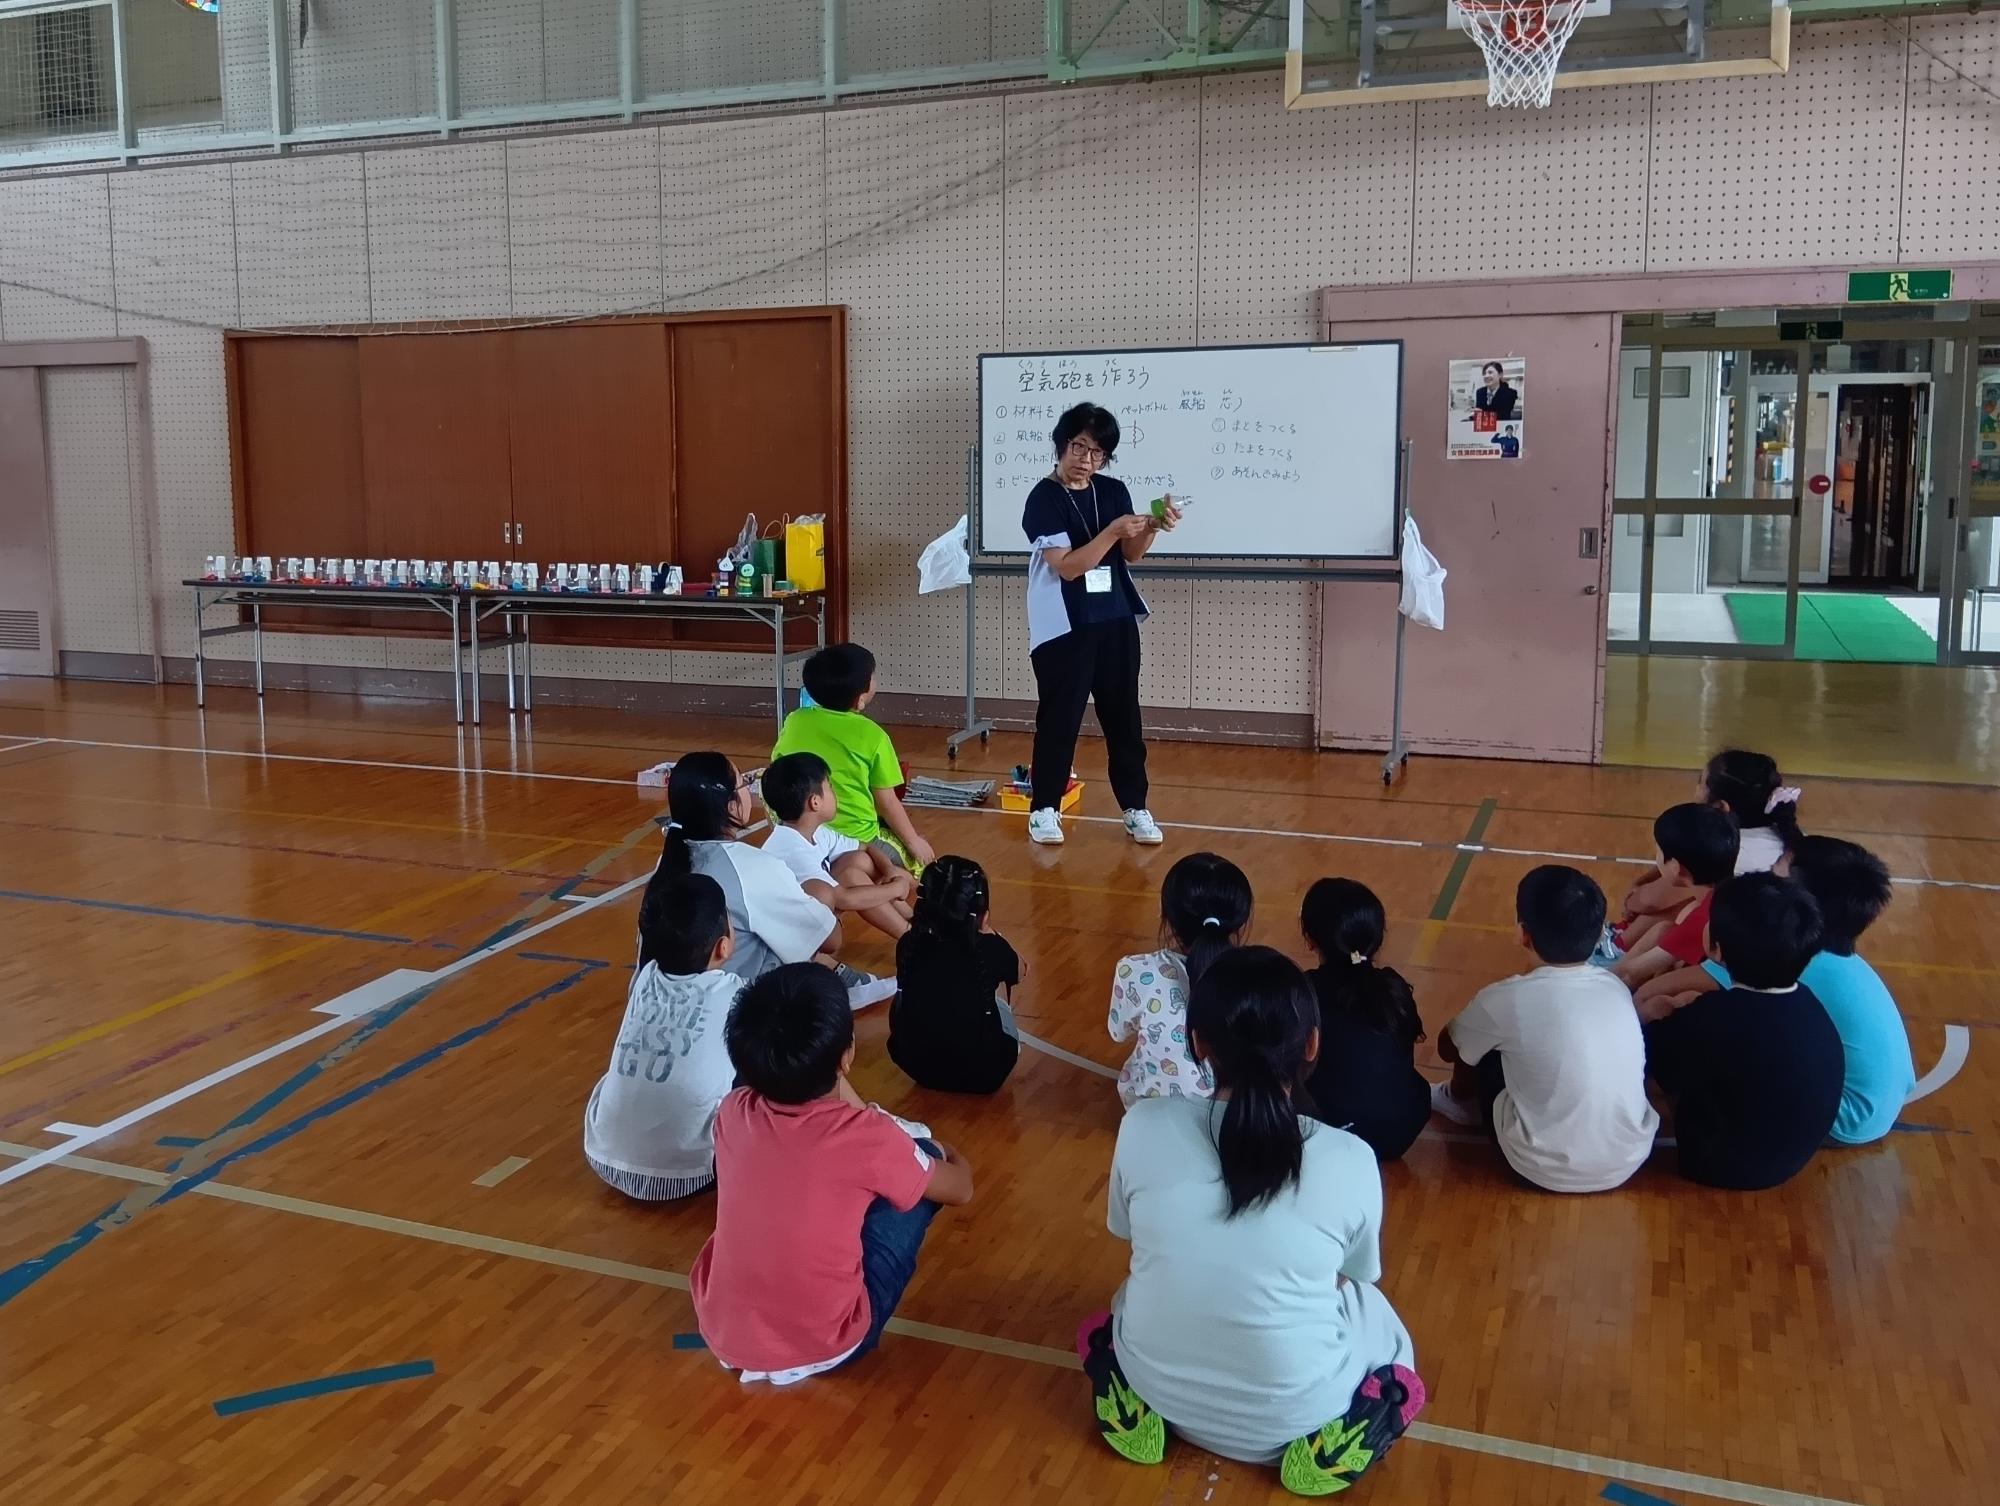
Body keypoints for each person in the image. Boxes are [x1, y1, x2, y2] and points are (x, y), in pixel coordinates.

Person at [1080, 946, 1425, 1493]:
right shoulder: (1350, 1157)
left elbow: (1128, 1234)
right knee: (1378, 1316)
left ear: (1198, 1043)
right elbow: (1350, 1277)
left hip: (1159, 1389)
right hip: (1300, 1414)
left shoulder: (1143, 1123)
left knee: (1131, 1294)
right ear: (1312, 1044)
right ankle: (1363, 1420)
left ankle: (1127, 1386)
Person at [689, 963, 976, 1382]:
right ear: (847, 1056)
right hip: (831, 1344)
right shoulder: (868, 1138)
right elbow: (960, 1189)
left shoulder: (733, 1112)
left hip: (724, 1332)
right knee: (919, 1166)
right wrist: (946, 1150)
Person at [1638, 837, 1914, 1147]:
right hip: (1877, 1105)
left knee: (1672, 1020)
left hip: (1841, 1118)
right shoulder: (1831, 957)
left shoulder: (1776, 953)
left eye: (1775, 873)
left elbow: (1652, 993)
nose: (1766, 877)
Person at [1432, 866, 1660, 1194]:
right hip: (1629, 1159)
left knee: (1486, 1047)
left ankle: (1457, 1102)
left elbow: (1448, 1048)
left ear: (1523, 934)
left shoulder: (1504, 998)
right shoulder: (1616, 988)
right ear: (1600, 934)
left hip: (1539, 1168)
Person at [1019, 401, 1179, 848]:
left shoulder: (1112, 491)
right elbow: (1069, 567)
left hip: (1115, 617)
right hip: (1064, 625)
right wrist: (1112, 531)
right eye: (1078, 447)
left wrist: (1152, 526)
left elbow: (1131, 555)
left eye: (1097, 453)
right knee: (1060, 719)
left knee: (1124, 719)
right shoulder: (1043, 498)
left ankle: (1135, 807)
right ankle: (1044, 808)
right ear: (1061, 445)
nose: (1086, 459)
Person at [639, 752, 895, 1008]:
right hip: (733, 1010)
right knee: (814, 902)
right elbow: (829, 940)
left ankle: (841, 975)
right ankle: (840, 984)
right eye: (744, 783)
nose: (747, 790)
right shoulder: (751, 865)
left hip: (653, 1007)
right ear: (731, 806)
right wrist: (830, 900)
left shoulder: (667, 863)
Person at [1643, 874, 1844, 1190]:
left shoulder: (1712, 1018)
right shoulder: (1812, 1004)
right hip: (1792, 1160)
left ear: (1717, 949)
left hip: (1717, 1166)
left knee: (1648, 1061)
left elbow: (1649, 1061)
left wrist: (1651, 1015)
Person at [582, 872, 740, 1201]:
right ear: (723, 947)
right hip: (692, 1174)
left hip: (602, 1156)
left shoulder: (645, 978)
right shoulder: (737, 993)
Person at [1296, 878, 1429, 1163]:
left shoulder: (1303, 991)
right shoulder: (1393, 987)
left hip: (1331, 1133)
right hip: (1399, 1134)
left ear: (1310, 939)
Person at [1108, 852, 1252, 1110]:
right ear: (1238, 921)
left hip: (1148, 1112)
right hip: (1230, 1114)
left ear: (1167, 917)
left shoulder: (1134, 970)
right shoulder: (1256, 975)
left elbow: (1118, 1032)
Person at [772, 642, 934, 870]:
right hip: (857, 836)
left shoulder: (795, 720)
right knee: (916, 866)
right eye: (873, 677)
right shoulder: (873, 735)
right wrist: (913, 841)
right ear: (859, 700)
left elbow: (777, 767)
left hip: (803, 832)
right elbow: (887, 802)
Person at [1617, 749, 1801, 929]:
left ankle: (1617, 942)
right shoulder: (1787, 834)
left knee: (1677, 913)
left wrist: (1631, 898)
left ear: (1721, 807)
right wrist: (1640, 883)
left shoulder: (1721, 849)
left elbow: (1648, 902)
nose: (1696, 789)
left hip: (1741, 941)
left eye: (1700, 783)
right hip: (1776, 937)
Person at [888, 856, 1022, 1095]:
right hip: (986, 1074)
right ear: (982, 914)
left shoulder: (909, 943)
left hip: (917, 1067)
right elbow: (1021, 971)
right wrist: (990, 932)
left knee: (911, 991)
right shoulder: (990, 948)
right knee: (998, 996)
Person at [759, 750, 917, 941]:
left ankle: (915, 920)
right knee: (849, 882)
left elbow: (864, 846)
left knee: (857, 861)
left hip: (813, 913)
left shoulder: (813, 830)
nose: (835, 794)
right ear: (815, 802)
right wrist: (896, 888)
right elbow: (843, 898)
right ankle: (913, 938)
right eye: (830, 787)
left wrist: (890, 870)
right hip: (791, 935)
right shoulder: (792, 851)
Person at [1609, 803, 1739, 995]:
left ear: (1676, 868)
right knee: (1665, 929)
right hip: (1744, 974)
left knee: (1646, 995)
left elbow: (1628, 974)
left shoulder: (1706, 916)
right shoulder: (1729, 893)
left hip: (1735, 989)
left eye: (1658, 852)